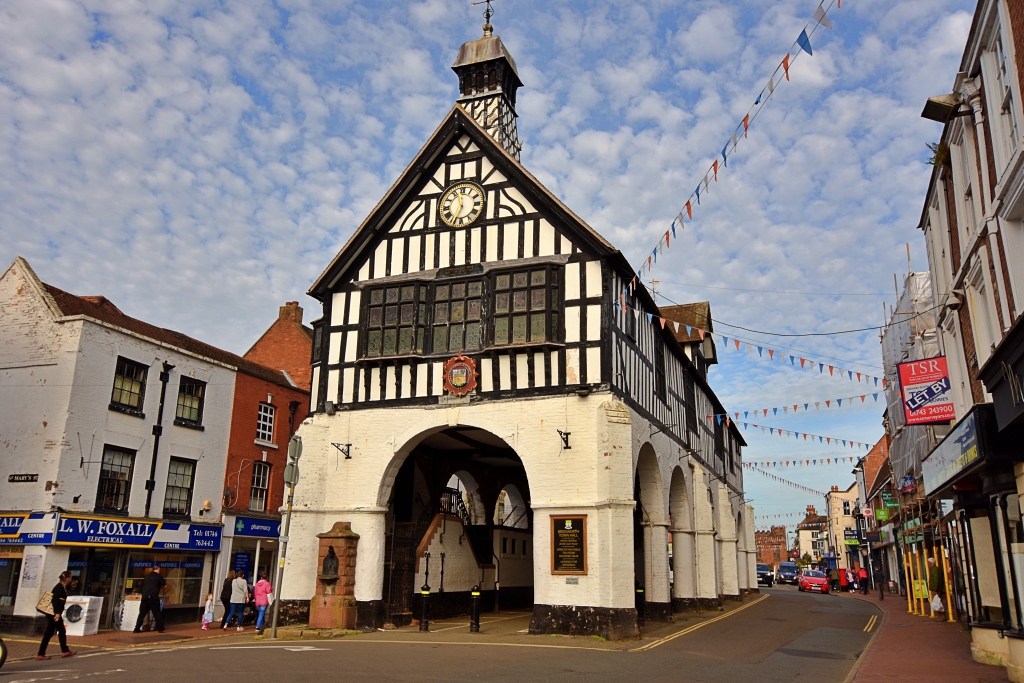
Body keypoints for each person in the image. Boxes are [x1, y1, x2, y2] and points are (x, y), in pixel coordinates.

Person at [36, 571, 75, 660]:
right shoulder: (59, 587)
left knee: (61, 631)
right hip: (53, 614)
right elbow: (54, 600)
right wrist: (57, 613)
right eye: (71, 577)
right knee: (49, 633)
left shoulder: (63, 587)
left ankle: (65, 650)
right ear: (68, 578)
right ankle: (40, 653)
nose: (72, 579)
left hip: (55, 614)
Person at [133, 566, 165, 633]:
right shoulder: (158, 576)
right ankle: (160, 628)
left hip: (145, 597)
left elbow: (143, 586)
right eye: (159, 570)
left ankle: (137, 628)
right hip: (153, 597)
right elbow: (164, 585)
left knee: (142, 613)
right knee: (157, 613)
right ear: (158, 570)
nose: (159, 571)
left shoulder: (147, 576)